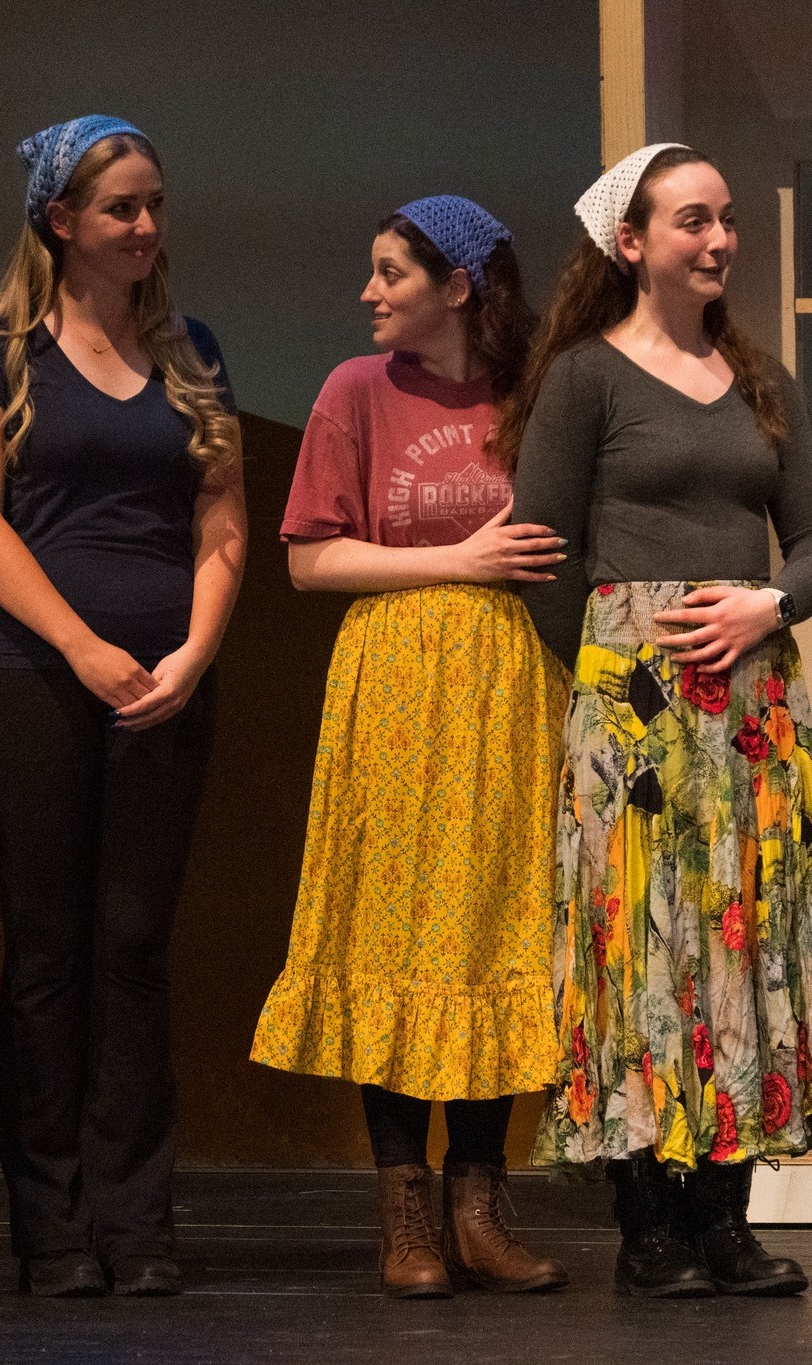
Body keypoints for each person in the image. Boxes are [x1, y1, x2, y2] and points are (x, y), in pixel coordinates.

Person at [0, 115, 246, 1297]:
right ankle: (53, 1226)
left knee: (132, 948)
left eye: (155, 202)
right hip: (30, 676)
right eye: (122, 207)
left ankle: (136, 1222)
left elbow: (221, 513)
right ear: (60, 220)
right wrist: (81, 648)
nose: (146, 225)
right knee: (49, 951)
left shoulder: (191, 347)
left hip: (165, 682)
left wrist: (193, 654)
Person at [501, 144, 812, 1299]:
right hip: (631, 707)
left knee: (738, 940)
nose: (720, 239)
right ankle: (648, 1223)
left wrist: (768, 605)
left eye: (725, 218)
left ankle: (724, 1218)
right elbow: (542, 553)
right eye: (693, 220)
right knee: (639, 947)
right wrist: (612, 669)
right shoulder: (586, 378)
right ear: (631, 243)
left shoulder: (762, 382)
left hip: (749, 710)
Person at [250, 197, 571, 1298]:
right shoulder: (355, 390)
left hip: (512, 681)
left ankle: (478, 1205)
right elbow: (308, 559)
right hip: (394, 682)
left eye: (391, 272)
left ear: (460, 286)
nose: (369, 292)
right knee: (391, 926)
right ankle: (405, 1209)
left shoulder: (536, 392)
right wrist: (457, 562)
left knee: (492, 922)